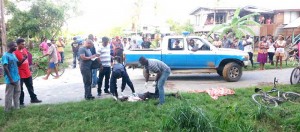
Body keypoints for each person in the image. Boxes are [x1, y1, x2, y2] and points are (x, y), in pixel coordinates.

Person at [14, 38, 42, 107]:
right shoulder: (15, 53)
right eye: (22, 44)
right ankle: (21, 102)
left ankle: (33, 99)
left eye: (24, 44)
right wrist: (23, 59)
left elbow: (28, 60)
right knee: (20, 89)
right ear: (18, 44)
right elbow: (17, 64)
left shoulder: (24, 50)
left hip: (27, 72)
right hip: (20, 73)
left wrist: (30, 68)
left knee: (30, 86)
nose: (24, 45)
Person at [2, 42, 26, 112]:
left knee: (17, 93)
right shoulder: (5, 56)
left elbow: (17, 64)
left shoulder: (13, 54)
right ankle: (7, 110)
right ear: (10, 46)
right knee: (9, 95)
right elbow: (5, 67)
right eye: (15, 46)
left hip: (17, 78)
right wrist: (11, 79)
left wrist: (23, 59)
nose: (16, 47)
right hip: (10, 79)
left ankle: (17, 107)